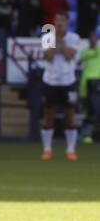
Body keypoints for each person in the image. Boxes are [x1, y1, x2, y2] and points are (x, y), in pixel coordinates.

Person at [39, 12, 81, 161]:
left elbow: (69, 55)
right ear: (54, 22)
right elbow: (48, 56)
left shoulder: (74, 38)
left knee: (70, 116)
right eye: (57, 20)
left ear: (67, 23)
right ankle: (47, 149)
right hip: (50, 81)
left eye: (62, 21)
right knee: (48, 116)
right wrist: (55, 37)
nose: (59, 23)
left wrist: (60, 40)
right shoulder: (47, 36)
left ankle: (70, 150)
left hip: (68, 81)